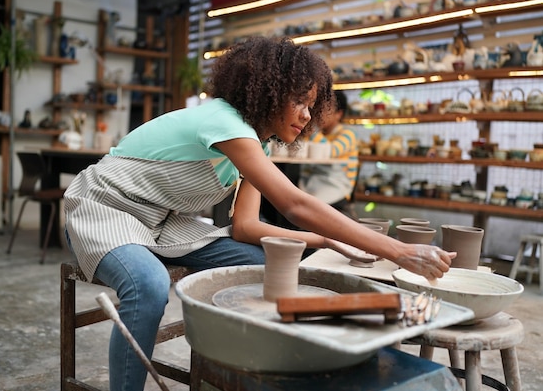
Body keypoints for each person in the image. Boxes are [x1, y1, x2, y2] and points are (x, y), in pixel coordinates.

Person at [63, 36, 455, 391]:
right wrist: (398, 251)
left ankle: (240, 373)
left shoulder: (259, 146)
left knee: (260, 264)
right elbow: (294, 204)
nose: (306, 116)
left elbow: (246, 228)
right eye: (298, 102)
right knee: (148, 285)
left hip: (160, 222)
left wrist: (324, 239)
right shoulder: (221, 120)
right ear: (269, 92)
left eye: (311, 106)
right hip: (102, 206)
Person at [299, 90, 359, 219]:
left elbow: (331, 152)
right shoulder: (320, 134)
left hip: (336, 186)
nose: (319, 113)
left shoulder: (348, 134)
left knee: (303, 206)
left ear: (339, 114)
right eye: (318, 108)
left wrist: (311, 130)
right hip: (313, 182)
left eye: (326, 109)